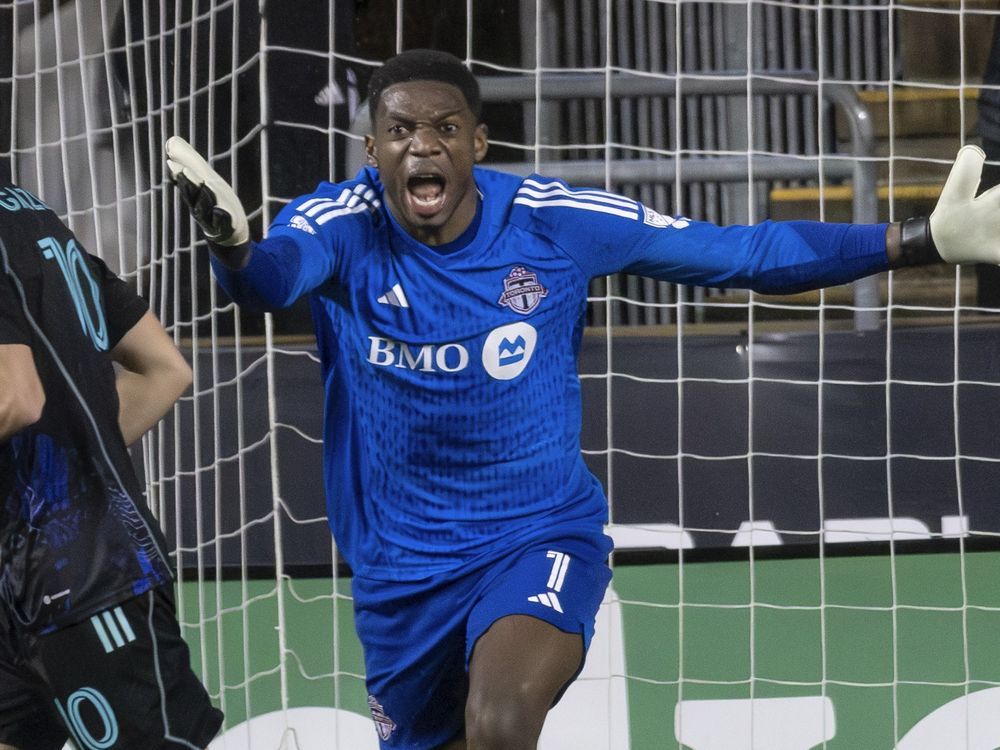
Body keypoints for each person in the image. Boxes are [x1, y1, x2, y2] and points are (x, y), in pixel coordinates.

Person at [164, 49, 1000, 750]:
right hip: (399, 571)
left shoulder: (553, 223)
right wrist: (233, 248)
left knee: (501, 717)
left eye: (445, 129)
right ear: (373, 149)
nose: (424, 146)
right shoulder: (339, 224)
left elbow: (736, 251)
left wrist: (915, 240)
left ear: (478, 144)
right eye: (401, 131)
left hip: (534, 534)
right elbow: (271, 285)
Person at [0, 180, 223, 749]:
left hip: (77, 578)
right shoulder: (36, 220)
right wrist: (78, 457)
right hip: (85, 565)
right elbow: (164, 368)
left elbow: (14, 398)